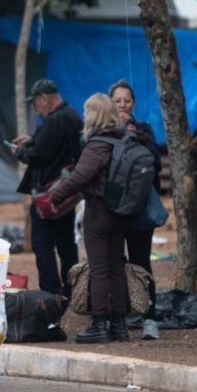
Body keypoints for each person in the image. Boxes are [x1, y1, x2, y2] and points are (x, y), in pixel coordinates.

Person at [51, 93, 141, 343]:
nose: (83, 116)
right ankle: (119, 325)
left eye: (86, 111)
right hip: (121, 213)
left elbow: (79, 177)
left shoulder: (97, 144)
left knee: (99, 270)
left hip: (99, 211)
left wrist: (55, 197)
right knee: (116, 268)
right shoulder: (125, 140)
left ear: (95, 115)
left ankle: (100, 324)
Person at [11, 79, 83, 299]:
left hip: (47, 195)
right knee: (67, 244)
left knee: (42, 245)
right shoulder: (72, 116)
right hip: (66, 194)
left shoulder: (55, 120)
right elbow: (54, 145)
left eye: (35, 103)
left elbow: (41, 155)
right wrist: (33, 139)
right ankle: (72, 288)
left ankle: (50, 291)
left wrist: (20, 152)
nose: (34, 108)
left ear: (45, 99)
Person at [110, 78, 163, 340]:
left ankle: (149, 318)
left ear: (134, 103)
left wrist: (136, 137)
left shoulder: (144, 129)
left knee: (142, 263)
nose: (122, 104)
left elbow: (156, 163)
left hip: (140, 211)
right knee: (115, 262)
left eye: (127, 100)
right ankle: (119, 315)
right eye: (117, 100)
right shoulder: (104, 132)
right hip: (113, 210)